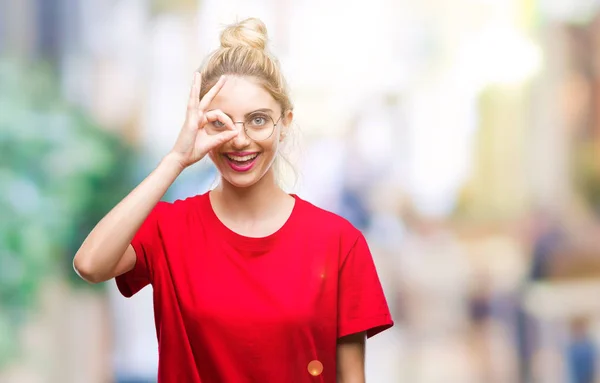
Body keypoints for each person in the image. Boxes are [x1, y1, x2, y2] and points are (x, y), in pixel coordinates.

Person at [73, 17, 393, 382]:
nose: (240, 140)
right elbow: (90, 264)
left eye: (258, 120)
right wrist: (175, 160)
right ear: (200, 125)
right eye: (220, 122)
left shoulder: (339, 242)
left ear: (285, 122)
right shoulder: (168, 229)